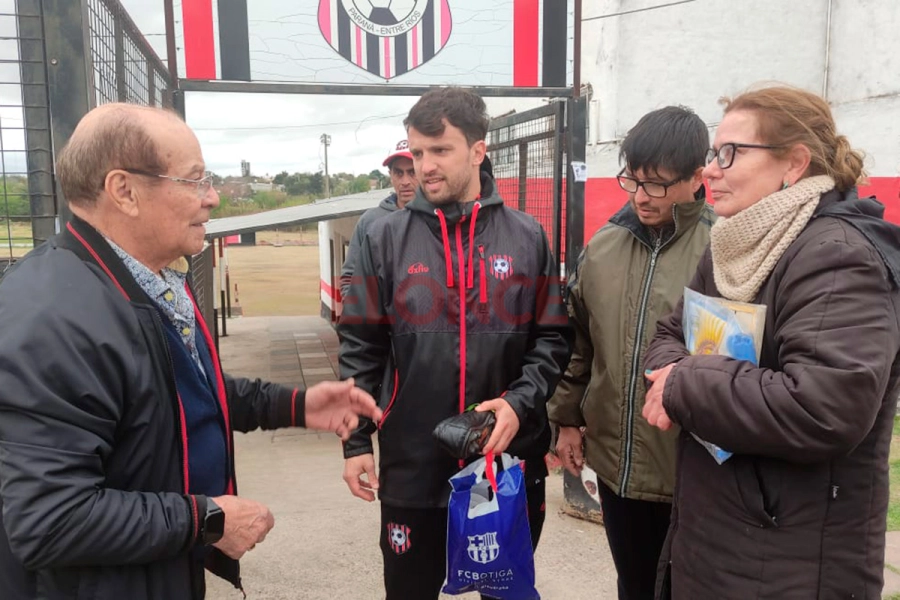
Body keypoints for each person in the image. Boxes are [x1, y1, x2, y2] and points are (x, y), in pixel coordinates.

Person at [0, 103, 381, 600]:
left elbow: (175, 395)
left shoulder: (144, 281)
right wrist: (208, 519)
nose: (213, 198)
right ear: (125, 192)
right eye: (195, 180)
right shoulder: (54, 319)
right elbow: (50, 520)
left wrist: (296, 406)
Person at [642, 86, 900, 598]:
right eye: (713, 154)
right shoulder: (734, 244)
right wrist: (673, 370)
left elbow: (824, 405)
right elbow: (672, 333)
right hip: (719, 532)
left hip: (791, 556)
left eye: (730, 153)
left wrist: (685, 381)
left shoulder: (838, 257)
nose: (710, 169)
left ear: (794, 163)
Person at [338, 86, 573, 600]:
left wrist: (517, 403)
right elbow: (359, 346)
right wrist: (355, 442)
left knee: (506, 594)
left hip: (506, 462)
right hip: (413, 467)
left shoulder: (528, 235)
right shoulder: (382, 238)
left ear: (478, 149)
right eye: (417, 152)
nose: (424, 167)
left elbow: (554, 338)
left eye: (440, 150)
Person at [548, 106, 714, 600]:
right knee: (634, 587)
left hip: (691, 471)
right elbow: (579, 344)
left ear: (697, 178)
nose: (642, 196)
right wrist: (568, 420)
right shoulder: (603, 247)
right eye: (633, 180)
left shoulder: (721, 246)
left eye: (658, 184)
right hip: (617, 470)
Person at [340, 139, 417, 298]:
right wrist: (365, 319)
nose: (405, 181)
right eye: (398, 173)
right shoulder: (369, 221)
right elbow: (350, 278)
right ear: (390, 175)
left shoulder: (439, 218)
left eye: (412, 172)